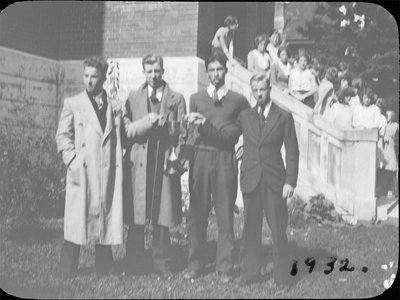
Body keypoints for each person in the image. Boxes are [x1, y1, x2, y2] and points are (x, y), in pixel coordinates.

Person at [183, 52, 250, 283]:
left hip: (224, 160)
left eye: (219, 69)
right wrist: (185, 156)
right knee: (197, 215)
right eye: (211, 70)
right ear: (207, 72)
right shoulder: (196, 98)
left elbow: (241, 131)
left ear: (226, 70)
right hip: (200, 160)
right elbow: (191, 134)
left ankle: (224, 268)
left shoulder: (238, 100)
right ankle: (194, 264)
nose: (215, 74)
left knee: (224, 216)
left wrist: (245, 148)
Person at [55, 56, 124, 277]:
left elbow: (121, 135)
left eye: (94, 76)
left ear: (103, 78)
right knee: (76, 219)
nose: (89, 81)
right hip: (83, 170)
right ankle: (67, 268)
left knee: (104, 213)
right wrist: (72, 161)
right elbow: (62, 136)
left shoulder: (114, 106)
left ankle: (104, 266)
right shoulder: (73, 103)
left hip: (105, 170)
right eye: (86, 76)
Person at [122, 54, 187, 279]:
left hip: (163, 162)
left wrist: (178, 156)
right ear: (144, 71)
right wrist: (146, 122)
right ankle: (134, 262)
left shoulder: (176, 98)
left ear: (163, 71)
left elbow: (183, 131)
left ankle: (162, 263)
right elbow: (126, 129)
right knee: (137, 213)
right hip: (140, 162)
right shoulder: (133, 97)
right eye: (149, 71)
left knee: (162, 215)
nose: (153, 76)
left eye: (157, 71)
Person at [237, 73, 299, 286]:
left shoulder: (283, 116)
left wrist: (290, 181)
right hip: (251, 179)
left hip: (274, 181)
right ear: (251, 91)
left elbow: (292, 150)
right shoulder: (245, 116)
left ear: (269, 89)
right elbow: (230, 135)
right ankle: (250, 272)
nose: (259, 93)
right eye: (255, 90)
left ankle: (282, 279)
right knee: (250, 229)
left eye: (262, 89)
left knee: (278, 230)